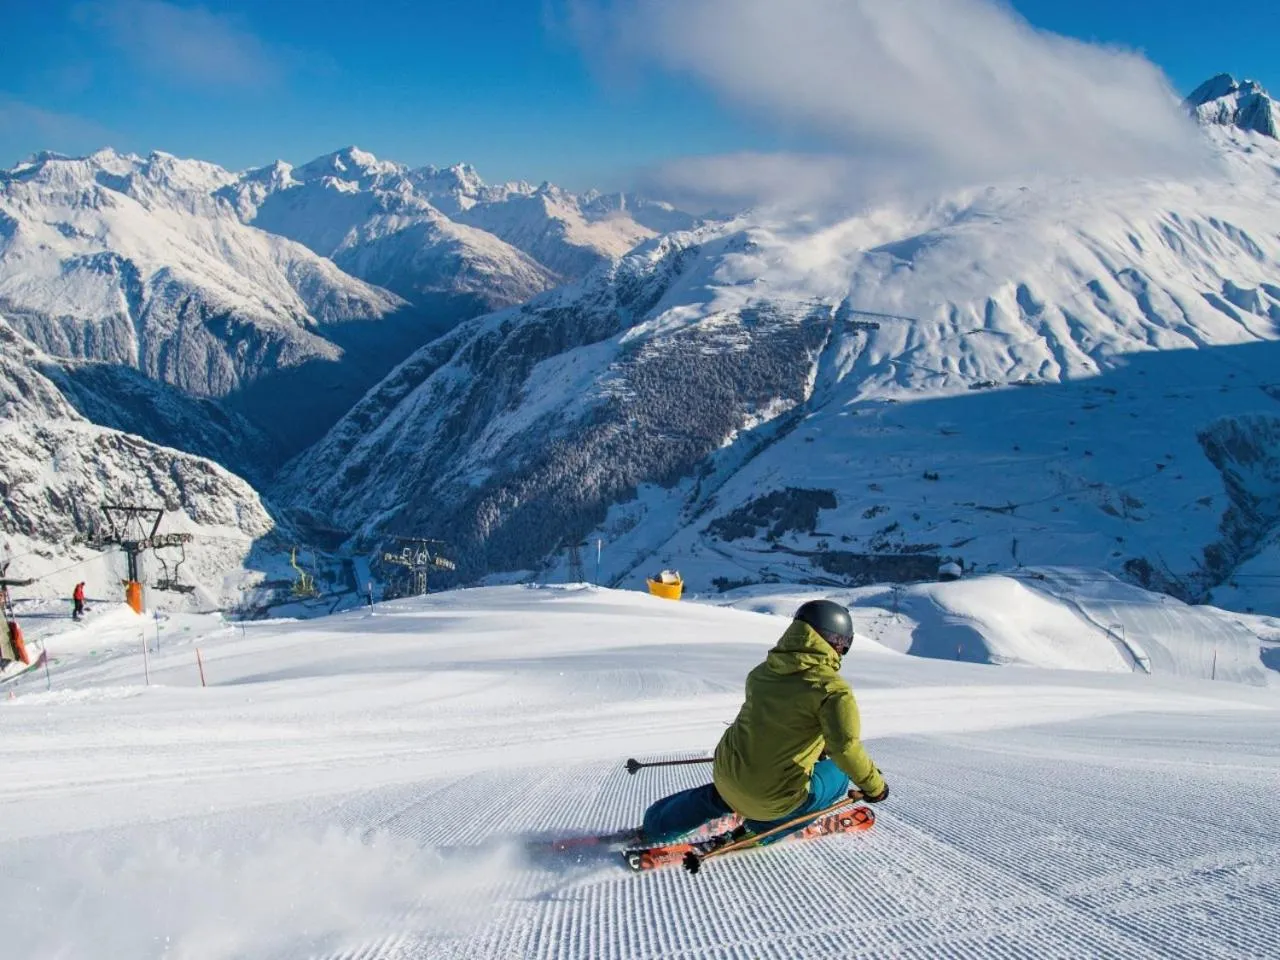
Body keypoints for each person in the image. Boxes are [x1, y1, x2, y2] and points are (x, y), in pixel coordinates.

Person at [641, 599, 888, 844]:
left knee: (725, 792)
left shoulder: (763, 672)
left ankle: (657, 824)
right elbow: (845, 750)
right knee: (838, 776)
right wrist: (875, 788)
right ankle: (759, 829)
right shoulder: (833, 691)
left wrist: (815, 748)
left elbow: (777, 723)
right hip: (770, 797)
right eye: (844, 643)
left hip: (726, 774)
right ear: (832, 641)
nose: (842, 650)